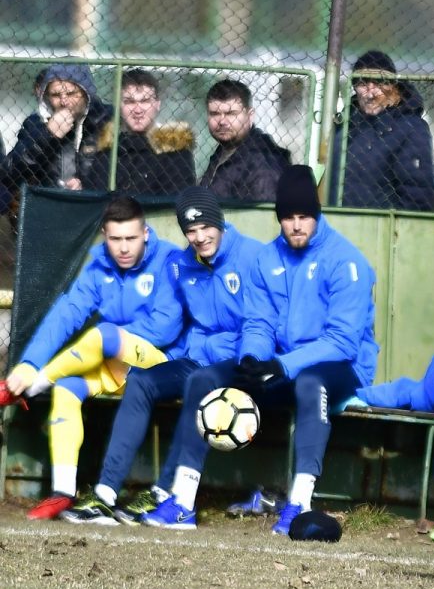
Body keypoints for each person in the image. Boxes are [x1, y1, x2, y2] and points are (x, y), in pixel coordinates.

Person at [139, 166, 379, 534]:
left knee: (310, 383)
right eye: (287, 217)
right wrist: (252, 357)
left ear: (316, 214)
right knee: (205, 378)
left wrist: (282, 365)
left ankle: (299, 504)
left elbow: (342, 342)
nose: (295, 226)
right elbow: (259, 322)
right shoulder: (267, 259)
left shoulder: (346, 261)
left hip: (340, 367)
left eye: (304, 217)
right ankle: (183, 501)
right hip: (281, 362)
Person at [58, 188, 264, 523]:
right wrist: (167, 358)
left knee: (201, 381)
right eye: (191, 230)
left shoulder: (254, 257)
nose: (199, 237)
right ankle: (105, 494)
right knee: (141, 381)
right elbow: (179, 323)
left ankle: (167, 493)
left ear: (219, 222)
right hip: (198, 359)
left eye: (205, 227)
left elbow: (264, 322)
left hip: (244, 362)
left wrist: (256, 357)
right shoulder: (182, 265)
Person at [0, 195, 183, 519]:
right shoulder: (98, 266)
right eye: (115, 239)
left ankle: (30, 387)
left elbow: (165, 328)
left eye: (131, 238)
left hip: (159, 366)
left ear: (145, 233)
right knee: (68, 386)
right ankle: (62, 493)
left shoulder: (169, 260)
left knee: (105, 335)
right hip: (114, 367)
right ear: (104, 235)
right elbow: (66, 314)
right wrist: (29, 362)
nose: (123, 248)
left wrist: (112, 339)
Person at [329, 50, 434, 210]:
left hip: (384, 223)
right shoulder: (345, 124)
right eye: (363, 83)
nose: (370, 94)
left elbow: (417, 193)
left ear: (392, 86)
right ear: (354, 87)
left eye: (379, 83)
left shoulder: (411, 127)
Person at [0, 63, 113, 202]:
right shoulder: (36, 123)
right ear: (46, 96)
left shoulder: (106, 119)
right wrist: (47, 135)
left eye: (71, 93)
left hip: (98, 204)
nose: (64, 101)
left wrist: (86, 186)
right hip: (50, 203)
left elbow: (123, 168)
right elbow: (10, 174)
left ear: (85, 93)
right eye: (56, 95)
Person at [86, 68, 196, 194]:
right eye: (129, 102)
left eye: (145, 101)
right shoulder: (107, 151)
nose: (138, 110)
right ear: (119, 106)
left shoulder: (175, 151)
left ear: (157, 104)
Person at [198, 79, 291, 201]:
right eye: (215, 114)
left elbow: (264, 210)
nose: (222, 121)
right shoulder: (224, 150)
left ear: (250, 116)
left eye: (231, 114)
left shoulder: (263, 163)